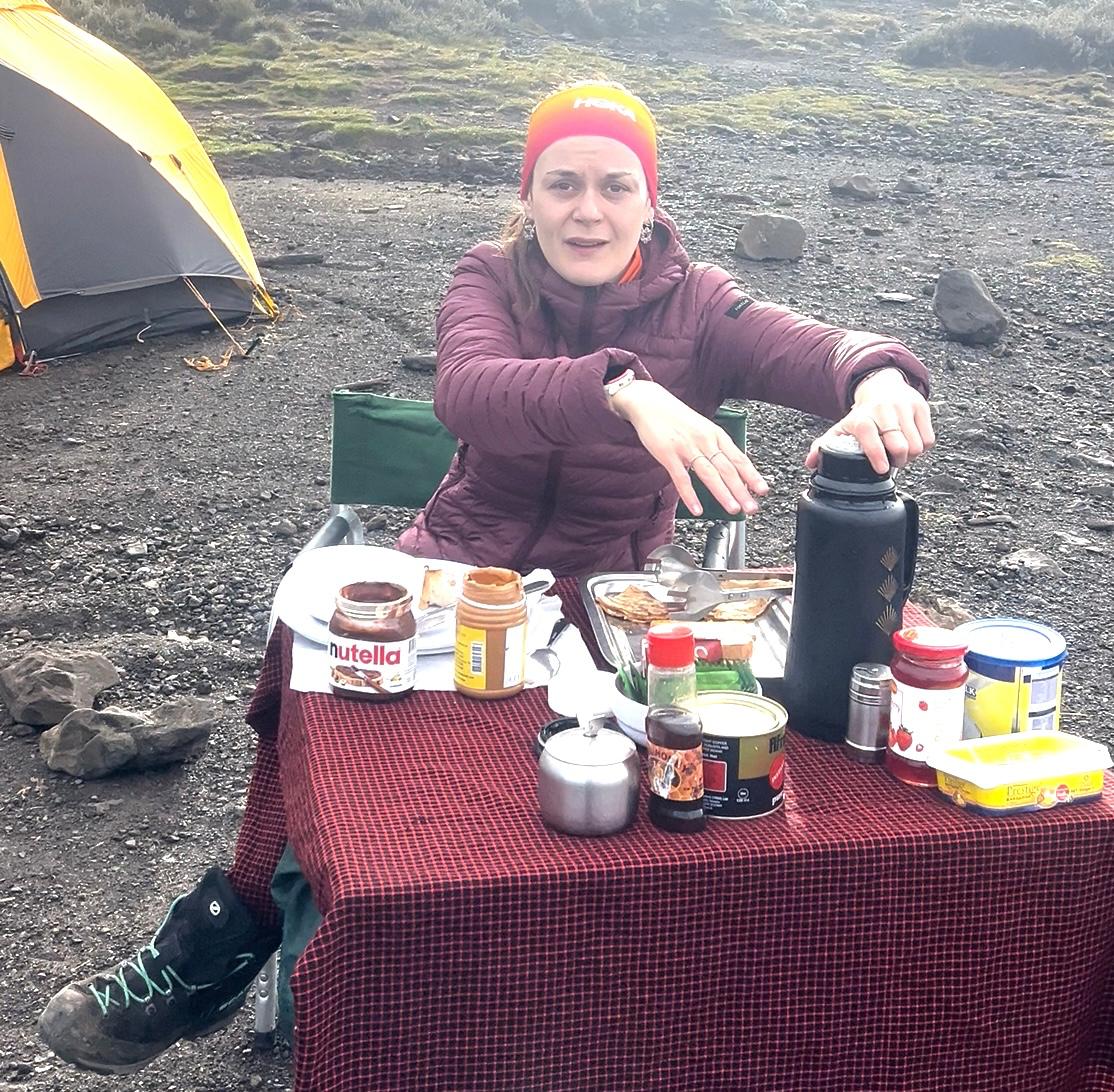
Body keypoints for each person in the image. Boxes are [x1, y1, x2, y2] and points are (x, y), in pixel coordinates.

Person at [38, 80, 934, 1075]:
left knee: (582, 807)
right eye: (562, 184)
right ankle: (230, 943)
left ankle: (527, 1003)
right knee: (322, 687)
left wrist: (880, 376)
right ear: (529, 194)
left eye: (613, 185)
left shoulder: (702, 305)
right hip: (452, 576)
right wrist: (625, 391)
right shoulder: (487, 280)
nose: (586, 209)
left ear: (648, 199)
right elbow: (472, 392)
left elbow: (820, 349)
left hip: (600, 611)